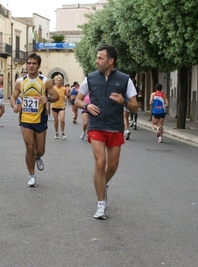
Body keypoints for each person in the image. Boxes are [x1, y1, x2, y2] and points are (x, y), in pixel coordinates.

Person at [75, 44, 139, 220]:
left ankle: (102, 184)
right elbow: (77, 100)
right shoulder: (90, 78)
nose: (97, 61)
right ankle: (101, 204)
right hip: (96, 126)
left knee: (112, 166)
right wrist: (87, 106)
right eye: (97, 57)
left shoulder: (125, 80)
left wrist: (124, 101)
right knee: (100, 163)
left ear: (111, 61)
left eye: (100, 58)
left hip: (115, 126)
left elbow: (135, 106)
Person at [10, 53, 59, 187]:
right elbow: (13, 97)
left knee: (40, 150)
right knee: (29, 147)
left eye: (34, 63)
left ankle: (38, 157)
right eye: (29, 63)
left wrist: (47, 99)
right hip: (25, 119)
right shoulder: (20, 81)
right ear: (26, 64)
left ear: (38, 65)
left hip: (40, 119)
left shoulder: (45, 81)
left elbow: (55, 96)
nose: (31, 66)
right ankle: (32, 176)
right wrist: (14, 105)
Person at [51, 75, 68, 139]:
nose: (59, 82)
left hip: (62, 106)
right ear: (55, 81)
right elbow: (50, 96)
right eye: (58, 80)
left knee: (62, 120)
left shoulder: (64, 89)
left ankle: (62, 132)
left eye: (60, 80)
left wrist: (66, 97)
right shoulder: (53, 89)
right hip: (54, 106)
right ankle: (56, 133)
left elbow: (66, 95)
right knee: (56, 120)